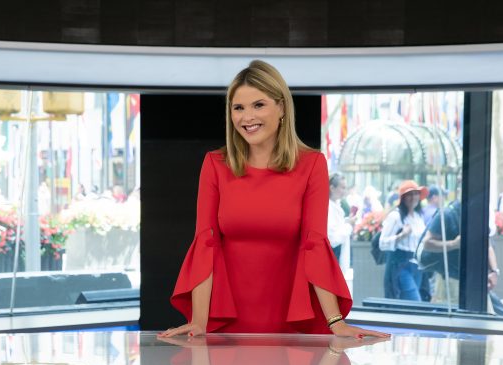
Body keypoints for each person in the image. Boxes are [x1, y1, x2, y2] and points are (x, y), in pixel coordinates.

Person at [160, 60, 384, 339]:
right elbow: (206, 244)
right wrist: (200, 321)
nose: (246, 117)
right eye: (238, 108)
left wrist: (335, 322)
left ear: (281, 107)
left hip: (290, 321)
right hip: (226, 323)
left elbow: (314, 243)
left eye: (258, 105)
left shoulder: (312, 165)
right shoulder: (215, 164)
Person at [378, 181, 428, 301]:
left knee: (409, 305)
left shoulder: (418, 217)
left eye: (416, 193)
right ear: (403, 198)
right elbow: (382, 243)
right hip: (401, 266)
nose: (413, 197)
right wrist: (401, 236)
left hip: (417, 266)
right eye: (409, 194)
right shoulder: (395, 216)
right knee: (415, 302)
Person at [421, 190, 461, 304]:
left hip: (472, 279)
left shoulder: (477, 213)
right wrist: (454, 244)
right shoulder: (447, 214)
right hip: (449, 277)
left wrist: (493, 271)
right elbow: (427, 243)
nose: (443, 197)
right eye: (441, 195)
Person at [327, 173, 352, 264]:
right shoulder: (328, 207)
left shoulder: (336, 205)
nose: (344, 191)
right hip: (331, 260)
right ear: (332, 188)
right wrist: (349, 225)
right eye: (342, 187)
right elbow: (333, 239)